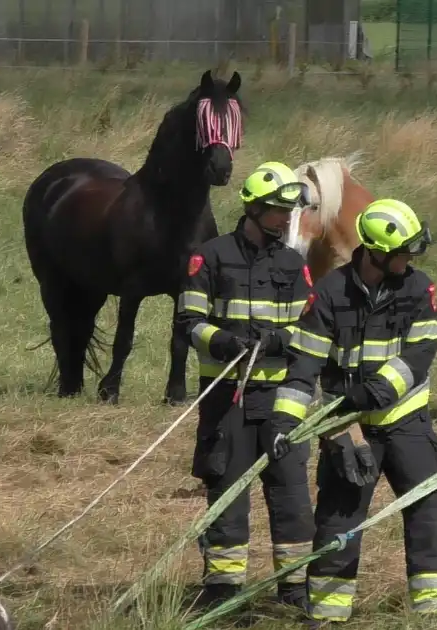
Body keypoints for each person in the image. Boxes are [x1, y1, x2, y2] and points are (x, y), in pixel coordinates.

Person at [270, 199, 437, 624]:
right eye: (403, 252)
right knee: (338, 521)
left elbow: (421, 352)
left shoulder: (418, 288)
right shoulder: (330, 293)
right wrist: (284, 422)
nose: (410, 260)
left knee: (427, 515)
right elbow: (304, 364)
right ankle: (329, 614)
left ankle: (432, 614)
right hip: (347, 427)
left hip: (407, 423)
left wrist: (371, 392)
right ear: (376, 252)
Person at [174, 161, 316, 611]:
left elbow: (309, 330)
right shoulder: (210, 257)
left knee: (291, 494)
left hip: (279, 400)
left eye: (289, 211)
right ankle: (223, 592)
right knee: (227, 493)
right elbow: (188, 321)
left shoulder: (294, 265)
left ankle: (292, 590)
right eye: (277, 210)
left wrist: (280, 339)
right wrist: (223, 341)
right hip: (226, 397)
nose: (284, 219)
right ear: (252, 209)